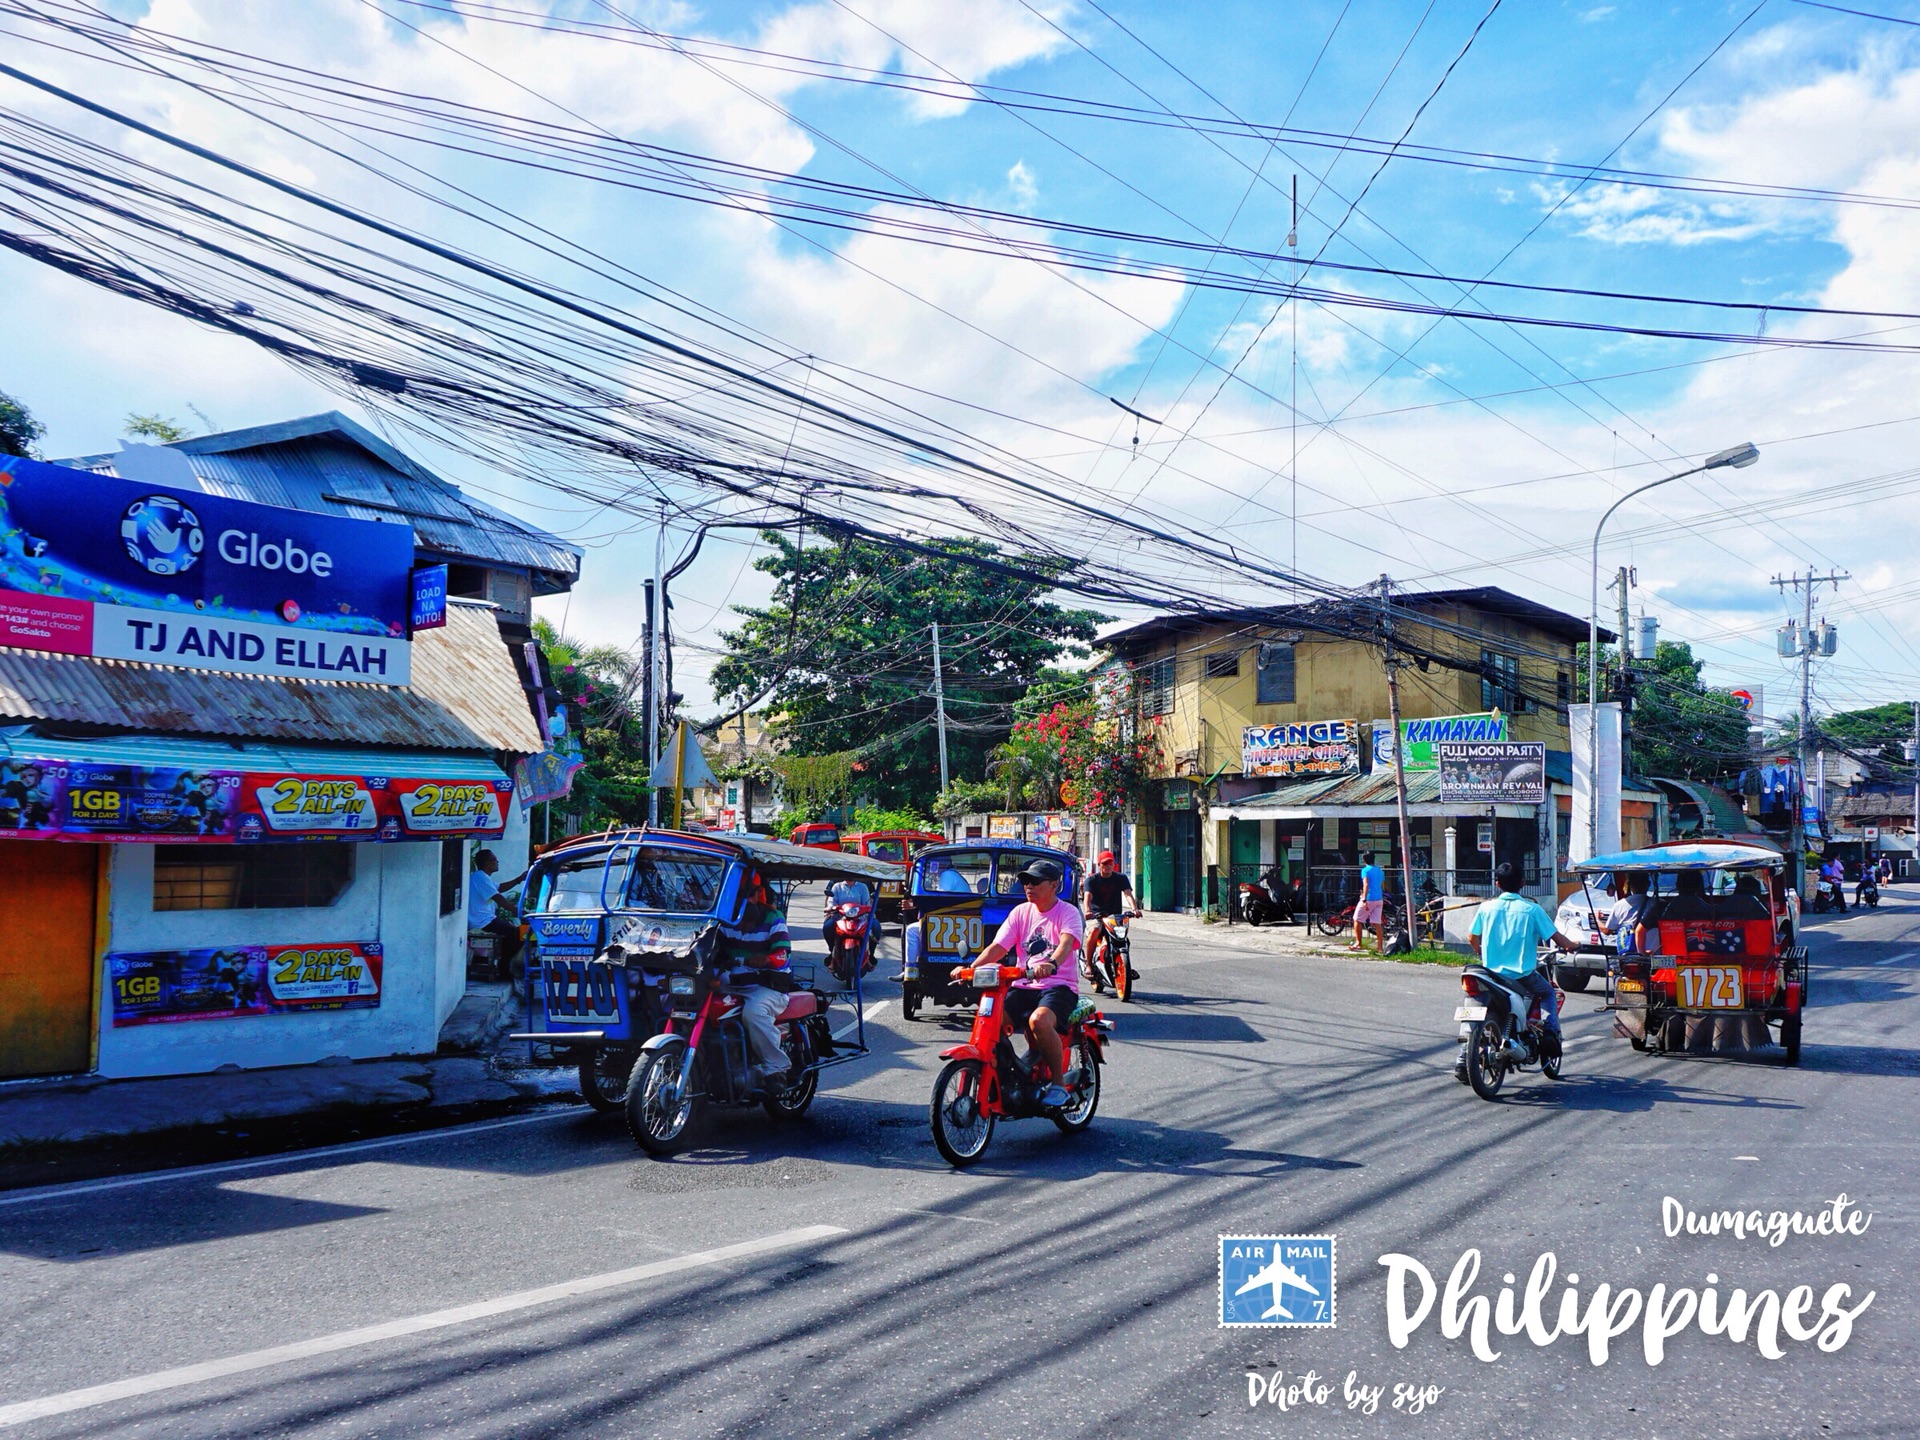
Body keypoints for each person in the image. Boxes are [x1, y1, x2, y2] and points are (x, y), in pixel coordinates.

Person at [972, 857, 1083, 1108]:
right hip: (1023, 985)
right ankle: (1011, 1074)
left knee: (1038, 1021)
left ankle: (1057, 1085)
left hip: (1059, 986)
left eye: (1035, 882)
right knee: (990, 1020)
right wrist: (971, 969)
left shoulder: (1068, 912)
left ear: (1054, 885)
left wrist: (1052, 963)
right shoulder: (1020, 912)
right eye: (1025, 882)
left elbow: (1066, 943)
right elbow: (998, 947)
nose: (1028, 887)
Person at [1456, 861, 1578, 1082]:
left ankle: (1463, 1056)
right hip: (1521, 976)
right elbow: (1558, 939)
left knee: (1474, 1004)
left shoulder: (1486, 908)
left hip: (1489, 974)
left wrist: (1481, 952)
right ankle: (1550, 1034)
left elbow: (1472, 938)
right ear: (1523, 883)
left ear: (1497, 883)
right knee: (1548, 993)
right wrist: (1574, 945)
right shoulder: (1532, 910)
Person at [721, 871, 797, 1092]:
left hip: (767, 987)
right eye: (737, 896)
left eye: (749, 895)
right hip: (732, 981)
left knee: (753, 1012)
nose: (744, 902)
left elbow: (780, 958)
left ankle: (776, 1068)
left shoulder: (773, 919)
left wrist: (754, 961)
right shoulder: (724, 920)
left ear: (758, 894)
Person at [467, 849, 526, 979]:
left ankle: (504, 967)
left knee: (513, 932)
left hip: (486, 919)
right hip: (482, 921)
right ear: (487, 863)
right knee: (517, 934)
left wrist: (519, 879)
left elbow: (499, 887)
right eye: (494, 860)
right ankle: (504, 970)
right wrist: (518, 911)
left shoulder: (483, 877)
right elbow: (498, 897)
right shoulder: (479, 877)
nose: (497, 862)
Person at [1082, 849, 1141, 973]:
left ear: (1114, 864)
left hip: (1115, 917)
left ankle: (1125, 966)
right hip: (1096, 916)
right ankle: (1089, 965)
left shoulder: (1121, 878)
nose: (1108, 866)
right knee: (1094, 931)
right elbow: (1087, 896)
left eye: (1110, 863)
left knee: (1123, 939)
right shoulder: (1091, 880)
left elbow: (1128, 894)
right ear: (1099, 865)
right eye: (1104, 864)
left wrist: (1134, 909)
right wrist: (1088, 911)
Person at [1605, 872, 1655, 955]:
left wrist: (1597, 919)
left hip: (1628, 954)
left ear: (1629, 885)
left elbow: (1607, 930)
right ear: (1648, 884)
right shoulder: (1656, 904)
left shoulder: (1619, 905)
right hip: (1654, 952)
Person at [1350, 851, 1386, 953]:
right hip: (1379, 898)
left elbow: (1365, 884)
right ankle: (1379, 947)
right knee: (1377, 923)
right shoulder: (1380, 870)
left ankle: (1358, 943)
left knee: (1357, 919)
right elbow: (1382, 885)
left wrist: (1364, 899)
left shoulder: (1365, 870)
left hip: (1369, 898)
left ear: (1364, 860)